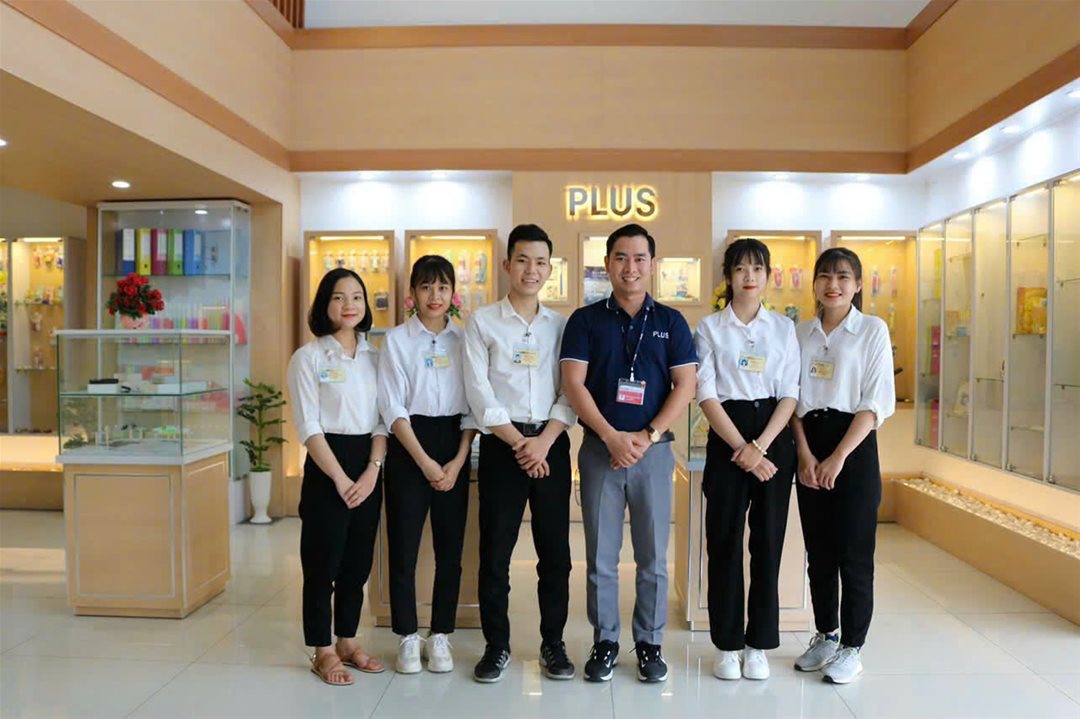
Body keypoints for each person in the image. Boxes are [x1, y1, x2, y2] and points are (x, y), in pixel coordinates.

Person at [560, 223, 697, 683]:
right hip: (600, 451)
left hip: (653, 454)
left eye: (639, 258)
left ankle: (650, 644)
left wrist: (647, 435)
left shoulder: (671, 322)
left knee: (653, 557)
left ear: (652, 265)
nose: (630, 267)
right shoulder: (584, 320)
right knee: (601, 556)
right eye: (621, 257)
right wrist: (611, 437)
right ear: (607, 264)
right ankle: (605, 641)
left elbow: (685, 385)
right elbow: (573, 384)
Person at [463, 224, 577, 683]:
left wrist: (543, 441)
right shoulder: (482, 322)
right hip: (501, 447)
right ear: (507, 264)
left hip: (551, 444)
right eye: (523, 260)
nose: (532, 270)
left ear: (550, 269)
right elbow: (479, 392)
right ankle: (496, 646)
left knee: (556, 554)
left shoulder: (562, 326)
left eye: (541, 262)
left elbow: (571, 390)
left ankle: (553, 643)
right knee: (495, 553)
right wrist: (519, 443)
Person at [694, 238, 799, 681]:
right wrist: (743, 447)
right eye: (740, 269)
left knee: (768, 543)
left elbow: (790, 392)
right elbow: (705, 393)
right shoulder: (709, 328)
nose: (749, 277)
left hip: (773, 433)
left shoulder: (784, 328)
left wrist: (761, 447)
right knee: (723, 542)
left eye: (757, 269)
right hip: (727, 436)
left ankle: (758, 644)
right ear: (728, 276)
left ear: (768, 276)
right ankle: (727, 644)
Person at [791, 247, 895, 685]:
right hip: (808, 443)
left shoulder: (871, 330)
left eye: (843, 277)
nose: (832, 285)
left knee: (853, 553)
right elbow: (790, 397)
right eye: (825, 276)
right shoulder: (800, 333)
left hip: (853, 446)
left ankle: (853, 646)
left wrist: (838, 457)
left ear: (857, 284)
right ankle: (826, 634)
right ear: (814, 282)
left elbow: (875, 401)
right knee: (819, 553)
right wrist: (804, 454)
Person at [287, 267, 387, 686]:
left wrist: (372, 470)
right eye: (338, 297)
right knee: (321, 564)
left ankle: (347, 640)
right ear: (324, 304)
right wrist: (341, 479)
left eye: (357, 297)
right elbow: (308, 426)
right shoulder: (308, 357)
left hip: (368, 465)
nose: (349, 305)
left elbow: (383, 420)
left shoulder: (375, 357)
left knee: (357, 563)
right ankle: (322, 649)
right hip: (327, 465)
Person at [377, 255, 477, 675]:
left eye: (442, 287)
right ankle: (406, 635)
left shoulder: (465, 339)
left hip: (454, 443)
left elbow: (473, 405)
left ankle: (440, 634)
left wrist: (456, 462)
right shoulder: (397, 340)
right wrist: (425, 462)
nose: (434, 295)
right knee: (403, 548)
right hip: (408, 446)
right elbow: (392, 406)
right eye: (425, 286)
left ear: (452, 292)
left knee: (450, 551)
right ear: (412, 294)